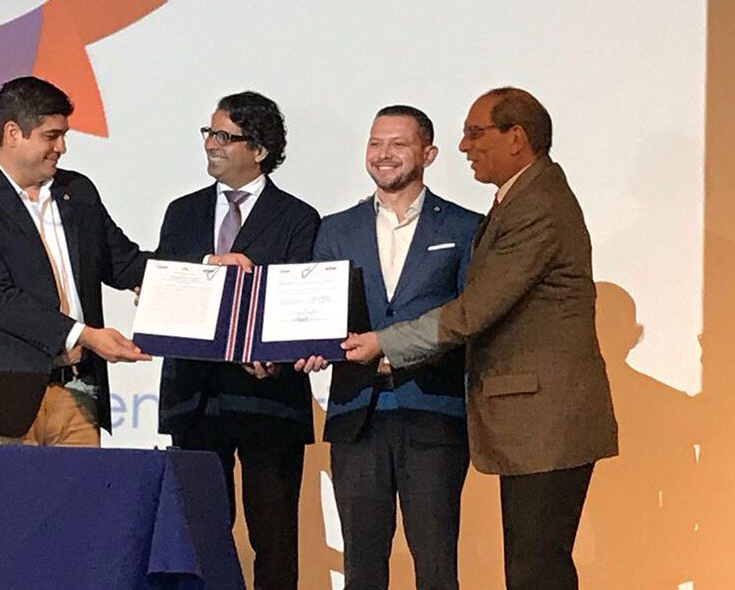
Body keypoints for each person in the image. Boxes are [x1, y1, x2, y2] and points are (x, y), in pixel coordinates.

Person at [331, 87, 619, 590]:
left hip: (544, 419)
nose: (465, 146)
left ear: (516, 137)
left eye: (475, 133)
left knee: (535, 567)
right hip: (527, 421)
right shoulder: (520, 199)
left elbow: (474, 310)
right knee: (530, 564)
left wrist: (384, 344)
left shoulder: (537, 205)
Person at [0, 76, 167, 446]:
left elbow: (123, 263)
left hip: (75, 395)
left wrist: (203, 268)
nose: (62, 147)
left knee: (81, 488)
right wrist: (85, 335)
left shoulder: (78, 191)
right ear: (13, 133)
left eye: (63, 135)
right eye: (51, 136)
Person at [157, 91, 319, 589]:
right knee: (201, 536)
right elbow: (167, 283)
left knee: (274, 536)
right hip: (195, 398)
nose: (211, 144)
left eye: (224, 136)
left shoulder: (298, 217)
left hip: (268, 400)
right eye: (209, 133)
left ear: (260, 149)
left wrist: (276, 353)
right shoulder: (181, 212)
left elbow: (300, 304)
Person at [316, 105, 481, 589]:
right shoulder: (335, 228)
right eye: (375, 143)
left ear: (428, 153)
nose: (383, 154)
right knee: (362, 566)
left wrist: (392, 350)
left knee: (435, 564)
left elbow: (471, 318)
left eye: (398, 144)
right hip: (356, 414)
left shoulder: (464, 227)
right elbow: (318, 315)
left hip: (433, 411)